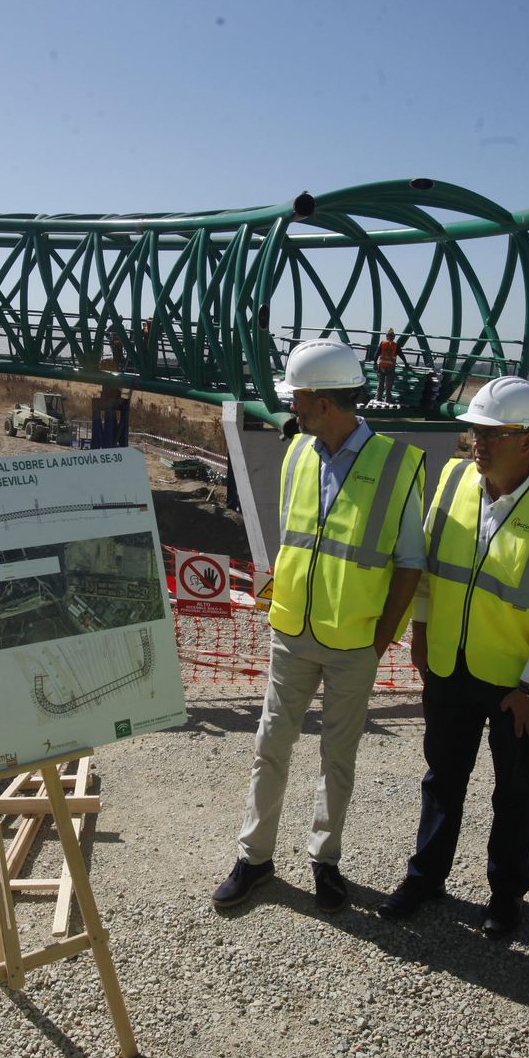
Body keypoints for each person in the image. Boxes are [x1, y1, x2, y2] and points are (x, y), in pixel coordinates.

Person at [212, 338, 426, 913]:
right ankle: (254, 858)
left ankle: (324, 859)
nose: (293, 411)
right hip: (292, 633)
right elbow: (294, 545)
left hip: (354, 641)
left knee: (338, 757)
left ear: (326, 403)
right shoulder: (299, 456)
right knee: (270, 746)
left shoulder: (398, 465)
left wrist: (379, 640)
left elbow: (409, 564)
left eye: (300, 400)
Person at [379, 375, 529, 935]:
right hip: (447, 664)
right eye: (474, 432)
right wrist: (421, 634)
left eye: (491, 434)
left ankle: (505, 897)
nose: (477, 444)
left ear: (528, 441)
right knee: (442, 778)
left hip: (514, 686)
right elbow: (428, 568)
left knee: (514, 792)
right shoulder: (452, 480)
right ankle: (425, 877)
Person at [376, 327, 401, 404]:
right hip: (390, 367)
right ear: (394, 337)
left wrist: (374, 362)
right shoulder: (395, 345)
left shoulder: (382, 343)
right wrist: (406, 364)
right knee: (388, 384)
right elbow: (401, 354)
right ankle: (387, 399)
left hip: (382, 366)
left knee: (380, 383)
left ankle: (378, 397)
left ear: (386, 336)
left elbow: (377, 353)